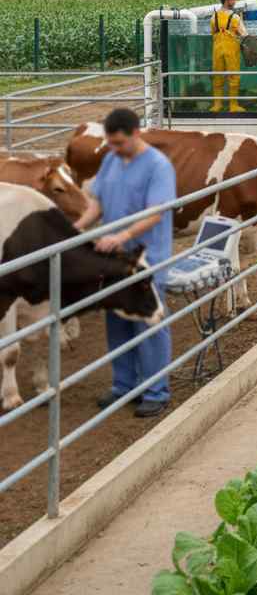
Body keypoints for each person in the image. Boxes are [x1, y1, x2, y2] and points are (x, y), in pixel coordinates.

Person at [76, 108, 176, 419]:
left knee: (148, 322)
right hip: (114, 259)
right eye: (111, 144)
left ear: (135, 134)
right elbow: (98, 202)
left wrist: (123, 236)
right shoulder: (111, 160)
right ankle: (124, 386)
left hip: (146, 258)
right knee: (116, 318)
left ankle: (156, 390)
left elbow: (157, 211)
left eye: (119, 143)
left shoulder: (158, 167)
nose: (114, 149)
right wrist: (77, 228)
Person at [210, 0, 247, 114]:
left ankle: (217, 105)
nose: (235, 1)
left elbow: (213, 32)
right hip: (231, 50)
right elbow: (244, 34)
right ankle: (233, 105)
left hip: (217, 50)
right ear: (227, 1)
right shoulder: (235, 17)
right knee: (234, 77)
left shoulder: (213, 16)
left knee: (217, 76)